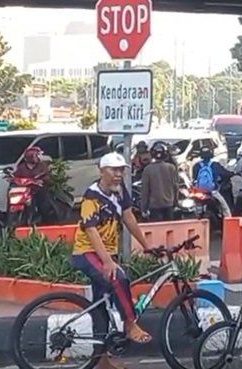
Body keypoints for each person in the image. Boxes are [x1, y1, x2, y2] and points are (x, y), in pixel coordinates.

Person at [71, 152, 155, 359]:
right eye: (113, 170)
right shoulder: (91, 197)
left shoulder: (119, 191)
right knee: (119, 278)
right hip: (87, 252)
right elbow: (91, 231)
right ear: (102, 171)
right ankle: (130, 323)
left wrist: (147, 245)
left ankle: (99, 356)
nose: (118, 174)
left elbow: (128, 217)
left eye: (121, 170)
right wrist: (108, 262)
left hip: (106, 253)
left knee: (100, 304)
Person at [140, 142, 178, 222]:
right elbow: (175, 186)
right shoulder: (171, 168)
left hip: (154, 206)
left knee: (156, 230)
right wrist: (175, 202)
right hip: (169, 204)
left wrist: (143, 208)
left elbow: (145, 190)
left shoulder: (148, 169)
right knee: (169, 229)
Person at [13, 146, 52, 220]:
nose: (39, 157)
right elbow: (15, 176)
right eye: (37, 156)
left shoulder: (42, 166)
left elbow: (48, 177)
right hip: (25, 191)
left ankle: (44, 218)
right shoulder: (22, 167)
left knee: (43, 204)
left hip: (38, 190)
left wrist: (42, 181)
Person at [192, 146, 233, 217]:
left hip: (199, 191)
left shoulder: (196, 166)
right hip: (212, 191)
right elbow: (224, 173)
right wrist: (233, 173)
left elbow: (194, 177)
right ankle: (229, 222)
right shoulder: (215, 165)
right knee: (225, 208)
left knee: (193, 208)